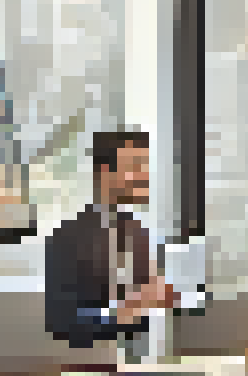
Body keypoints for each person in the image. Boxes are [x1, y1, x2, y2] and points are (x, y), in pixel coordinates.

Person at [44, 130, 172, 352]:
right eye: (135, 166)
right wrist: (120, 312)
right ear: (105, 173)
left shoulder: (143, 235)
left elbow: (150, 309)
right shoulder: (66, 238)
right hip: (86, 364)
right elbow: (61, 320)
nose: (145, 175)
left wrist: (167, 299)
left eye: (145, 165)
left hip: (147, 359)